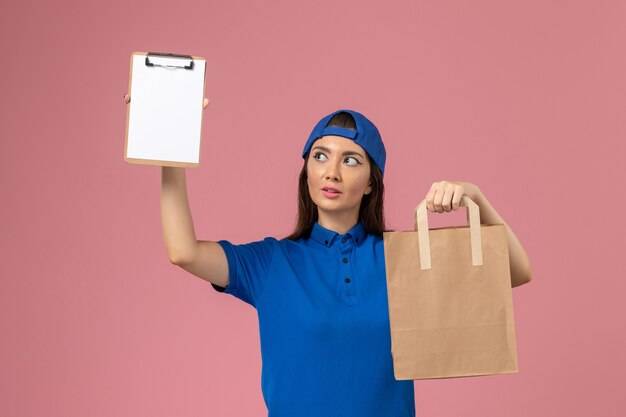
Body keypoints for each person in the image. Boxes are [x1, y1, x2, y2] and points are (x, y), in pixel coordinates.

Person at [123, 93, 533, 417]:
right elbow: (183, 251)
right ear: (307, 172)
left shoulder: (401, 260)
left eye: (350, 160)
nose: (331, 172)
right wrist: (169, 149)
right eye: (320, 157)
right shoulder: (271, 263)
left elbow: (516, 271)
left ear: (371, 183)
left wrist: (476, 198)